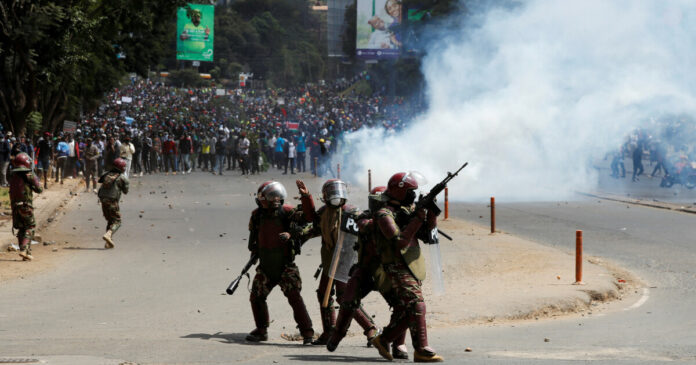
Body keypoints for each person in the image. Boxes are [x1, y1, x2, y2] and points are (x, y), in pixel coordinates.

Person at [325, 186, 409, 359]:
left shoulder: (395, 218)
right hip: (364, 269)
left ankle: (398, 343)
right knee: (347, 301)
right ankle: (337, 334)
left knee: (402, 304)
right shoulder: (365, 218)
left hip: (387, 270)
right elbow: (366, 226)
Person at [371, 172, 443, 362]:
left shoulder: (407, 211)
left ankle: (384, 339)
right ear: (399, 192)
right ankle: (421, 349)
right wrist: (418, 217)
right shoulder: (383, 214)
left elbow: (428, 236)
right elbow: (400, 242)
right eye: (410, 191)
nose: (413, 195)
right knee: (417, 304)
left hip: (411, 265)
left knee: (409, 310)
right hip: (395, 265)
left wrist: (431, 213)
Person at [296, 179, 377, 346]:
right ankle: (329, 331)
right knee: (323, 294)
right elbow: (312, 222)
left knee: (344, 297)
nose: (336, 196)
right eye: (331, 192)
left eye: (337, 191)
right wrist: (306, 197)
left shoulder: (351, 211)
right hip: (328, 261)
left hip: (346, 261)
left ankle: (371, 329)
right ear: (325, 196)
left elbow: (363, 228)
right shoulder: (323, 212)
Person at [245, 181, 314, 344]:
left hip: (285, 266)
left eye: (277, 195)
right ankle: (261, 330)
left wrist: (306, 197)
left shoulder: (288, 212)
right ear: (262, 198)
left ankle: (308, 333)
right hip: (265, 267)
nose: (276, 199)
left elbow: (309, 216)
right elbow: (254, 242)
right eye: (271, 195)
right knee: (256, 297)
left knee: (294, 297)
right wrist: (255, 254)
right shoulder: (256, 216)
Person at [9, 152, 43, 261]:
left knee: (21, 228)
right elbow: (39, 189)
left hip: (14, 207)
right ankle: (24, 249)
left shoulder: (12, 176)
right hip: (25, 206)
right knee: (30, 226)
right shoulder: (29, 175)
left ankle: (25, 253)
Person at [98, 158, 129, 249]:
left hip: (103, 200)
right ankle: (108, 234)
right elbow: (126, 191)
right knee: (117, 221)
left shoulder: (105, 174)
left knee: (110, 220)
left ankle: (108, 242)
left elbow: (101, 183)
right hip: (112, 201)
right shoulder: (122, 177)